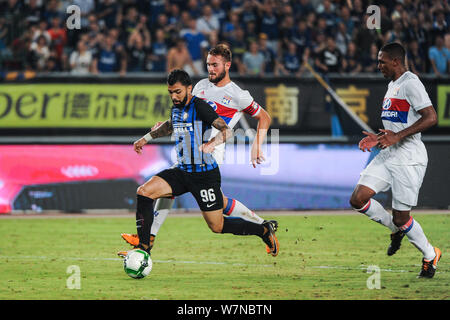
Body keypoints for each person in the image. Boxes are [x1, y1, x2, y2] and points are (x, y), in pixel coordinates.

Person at [120, 44, 278, 256]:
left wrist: (256, 145)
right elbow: (186, 111)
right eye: (208, 64)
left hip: (211, 153)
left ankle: (149, 237)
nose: (210, 69)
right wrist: (167, 125)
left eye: (215, 65)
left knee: (213, 217)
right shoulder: (201, 86)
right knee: (208, 200)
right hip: (190, 151)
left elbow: (264, 117)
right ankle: (147, 240)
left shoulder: (238, 95)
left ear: (227, 65)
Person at [349, 42, 441, 278]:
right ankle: (395, 230)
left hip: (409, 157)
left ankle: (431, 255)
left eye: (382, 61)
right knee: (358, 199)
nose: (378, 65)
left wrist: (397, 136)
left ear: (396, 61)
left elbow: (431, 117)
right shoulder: (392, 85)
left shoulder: (411, 83)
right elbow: (396, 127)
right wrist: (378, 139)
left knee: (402, 217)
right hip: (389, 153)